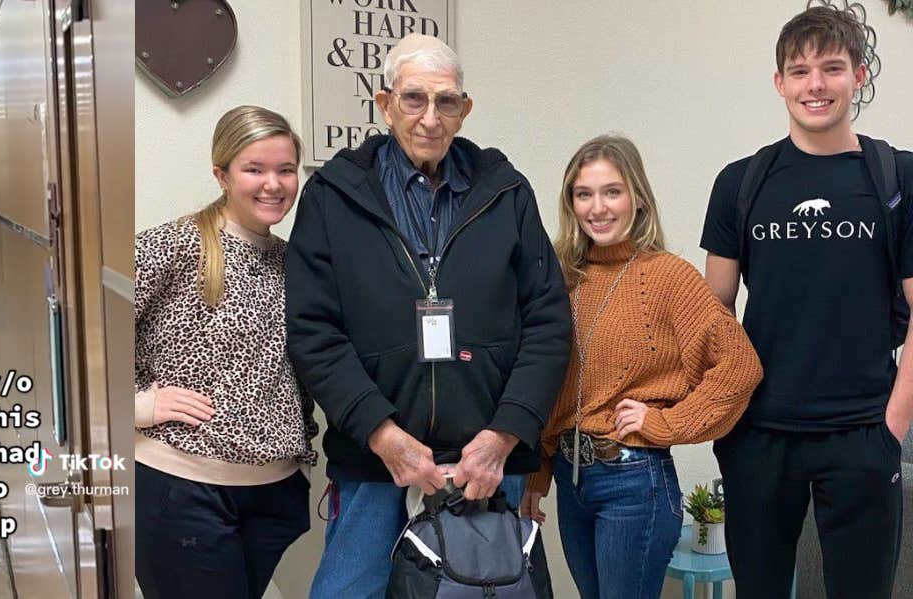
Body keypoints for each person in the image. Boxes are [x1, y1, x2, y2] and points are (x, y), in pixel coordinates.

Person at [286, 34, 572, 598]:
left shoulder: (506, 192)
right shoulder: (332, 195)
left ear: (465, 110)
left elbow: (548, 322)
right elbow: (314, 330)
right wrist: (382, 433)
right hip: (376, 463)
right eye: (414, 99)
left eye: (446, 102)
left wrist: (504, 434)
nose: (430, 118)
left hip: (484, 467)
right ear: (384, 102)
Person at [700, 7, 913, 598]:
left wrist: (890, 428)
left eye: (832, 68)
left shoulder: (899, 179)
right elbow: (712, 314)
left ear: (860, 76)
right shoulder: (740, 183)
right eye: (799, 71)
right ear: (779, 83)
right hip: (758, 435)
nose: (814, 84)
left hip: (862, 434)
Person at [519, 135, 762, 599]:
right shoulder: (560, 277)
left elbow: (738, 366)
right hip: (573, 483)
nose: (598, 207)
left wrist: (667, 422)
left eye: (612, 191)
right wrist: (538, 473)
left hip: (634, 483)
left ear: (637, 197)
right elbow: (549, 378)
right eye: (583, 194)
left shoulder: (667, 276)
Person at [133, 105, 317, 599]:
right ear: (221, 173)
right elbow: (81, 331)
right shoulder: (171, 246)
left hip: (273, 492)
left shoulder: (292, 262)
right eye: (254, 169)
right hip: (183, 489)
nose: (273, 184)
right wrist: (139, 405)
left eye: (285, 169)